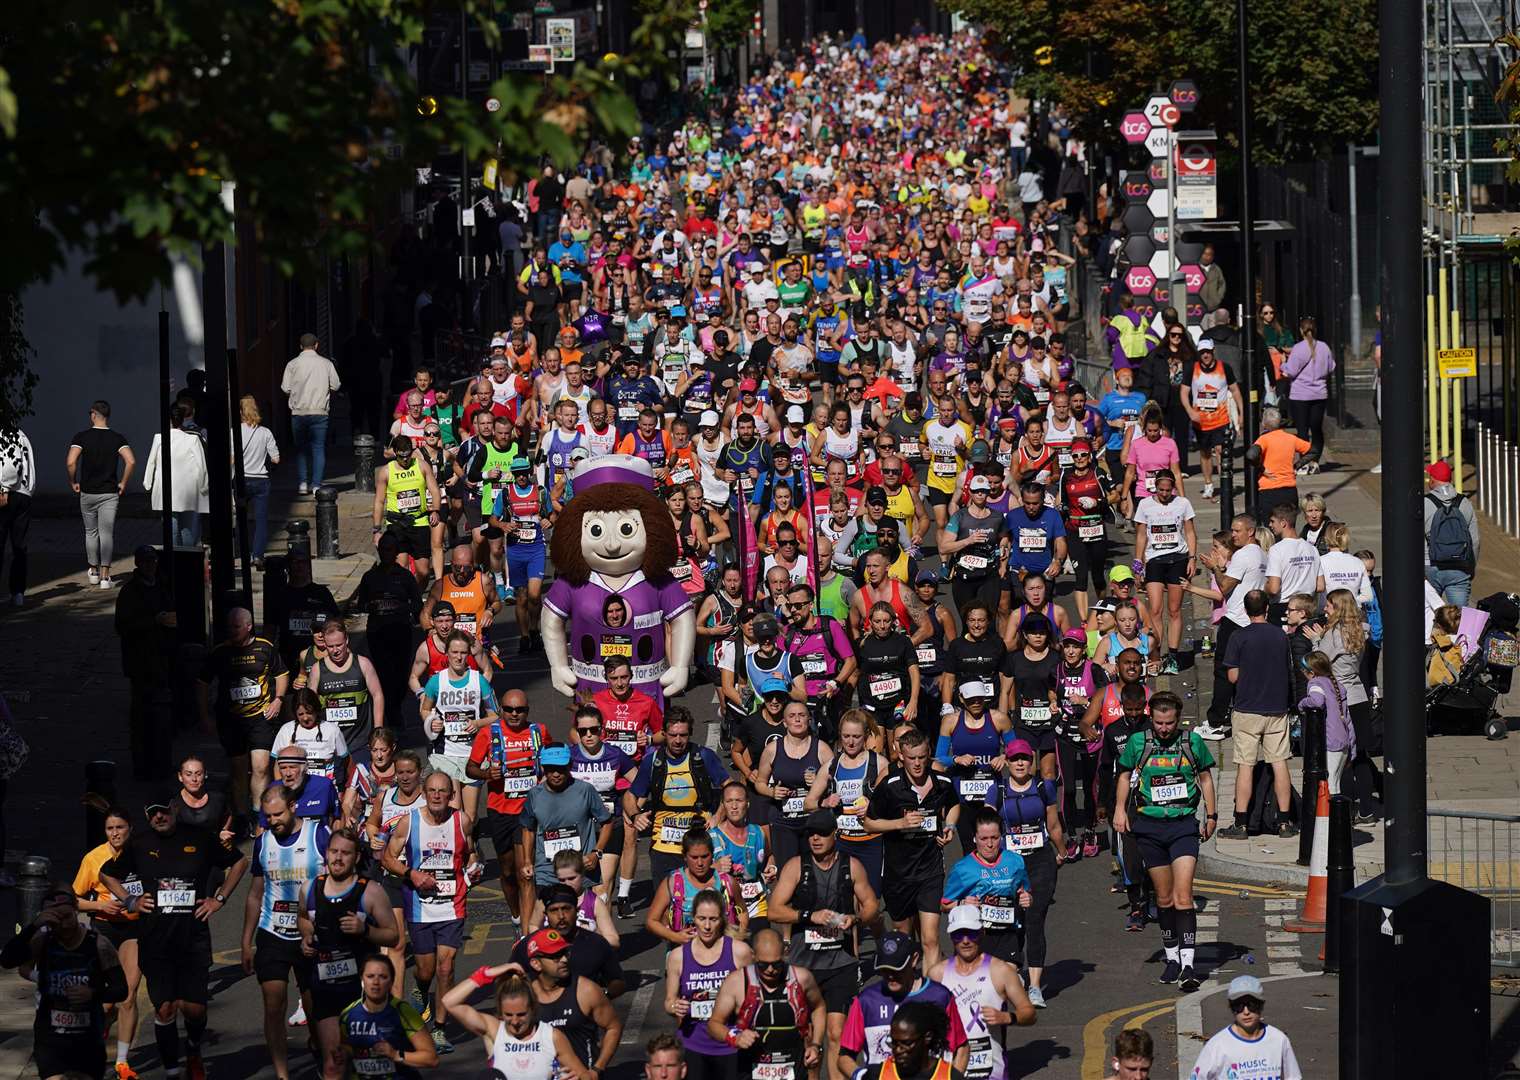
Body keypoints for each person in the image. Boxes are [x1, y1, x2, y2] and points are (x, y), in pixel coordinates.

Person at [99, 789, 250, 1080]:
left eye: (164, 810)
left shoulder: (200, 837)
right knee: (166, 1008)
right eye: (153, 812)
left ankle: (193, 1048)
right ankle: (172, 1070)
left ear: (175, 809)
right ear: (146, 815)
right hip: (155, 940)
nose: (159, 816)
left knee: (193, 1009)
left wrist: (219, 899)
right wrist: (130, 901)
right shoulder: (139, 843)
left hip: (192, 938)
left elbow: (240, 862)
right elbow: (108, 873)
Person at [1113, 692, 1217, 992]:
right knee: (1164, 899)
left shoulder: (1191, 742)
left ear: (1178, 718)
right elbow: (1123, 776)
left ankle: (1188, 963)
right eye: (1158, 722)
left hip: (1183, 825)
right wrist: (1120, 810)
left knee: (1183, 897)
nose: (1164, 729)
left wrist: (1211, 815)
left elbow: (1207, 778)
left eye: (1169, 723)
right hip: (1149, 826)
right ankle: (1172, 958)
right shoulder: (1138, 743)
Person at [769, 809, 881, 1076]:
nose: (815, 839)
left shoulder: (851, 866)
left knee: (836, 1033)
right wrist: (809, 916)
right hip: (804, 966)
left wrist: (855, 919)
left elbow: (872, 907)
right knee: (809, 1037)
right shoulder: (796, 866)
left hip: (840, 964)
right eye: (811, 834)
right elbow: (774, 910)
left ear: (835, 834)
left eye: (822, 833)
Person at [381, 768, 479, 1054]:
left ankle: (439, 1028)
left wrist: (474, 866)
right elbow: (387, 858)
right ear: (424, 794)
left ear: (451, 796)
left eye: (442, 791)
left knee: (445, 968)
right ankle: (422, 990)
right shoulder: (408, 823)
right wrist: (411, 874)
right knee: (425, 970)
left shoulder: (463, 821)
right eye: (432, 791)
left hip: (452, 905)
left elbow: (471, 852)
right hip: (420, 907)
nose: (437, 796)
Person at [296, 827, 400, 1079]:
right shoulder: (310, 888)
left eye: (345, 853)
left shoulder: (370, 891)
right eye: (334, 851)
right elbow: (302, 919)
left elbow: (393, 935)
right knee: (334, 1064)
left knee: (367, 1063)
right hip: (326, 987)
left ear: (355, 857)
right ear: (326, 854)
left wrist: (365, 930)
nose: (338, 858)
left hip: (362, 993)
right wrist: (306, 937)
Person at [0, 881, 128, 1080]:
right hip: (51, 1039)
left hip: (87, 1039)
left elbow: (121, 990)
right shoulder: (42, 940)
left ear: (76, 911)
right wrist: (33, 926)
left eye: (67, 916)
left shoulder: (98, 944)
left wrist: (93, 993)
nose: (63, 924)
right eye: (57, 918)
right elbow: (7, 960)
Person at [242, 785, 328, 1080]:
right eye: (267, 816)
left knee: (316, 1007)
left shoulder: (319, 835)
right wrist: (245, 941)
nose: (272, 821)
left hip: (311, 934)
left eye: (278, 814)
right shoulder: (263, 842)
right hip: (272, 931)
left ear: (293, 806)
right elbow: (255, 893)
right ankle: (282, 1074)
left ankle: (317, 1044)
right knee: (274, 1003)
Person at [863, 727, 959, 971]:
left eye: (922, 757)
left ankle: (930, 997)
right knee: (904, 939)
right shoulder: (890, 786)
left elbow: (954, 805)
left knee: (930, 939)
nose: (917, 764)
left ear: (928, 755)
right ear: (901, 756)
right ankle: (907, 992)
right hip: (898, 874)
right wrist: (900, 823)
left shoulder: (942, 783)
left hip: (930, 870)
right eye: (911, 758)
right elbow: (868, 823)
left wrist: (949, 825)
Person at [196, 606, 289, 830]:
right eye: (230, 626)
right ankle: (240, 814)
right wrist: (205, 715)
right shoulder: (220, 652)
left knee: (260, 767)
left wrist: (278, 699)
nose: (232, 630)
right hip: (231, 720)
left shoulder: (265, 648)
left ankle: (259, 813)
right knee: (238, 769)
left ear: (249, 626)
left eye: (237, 626)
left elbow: (282, 674)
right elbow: (202, 682)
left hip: (261, 717)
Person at [1215, 591, 1298, 840]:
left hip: (1247, 709)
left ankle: (1240, 823)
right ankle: (1284, 822)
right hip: (1276, 708)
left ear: (1246, 608)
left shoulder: (1238, 637)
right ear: (1267, 608)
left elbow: (1232, 677)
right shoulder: (1280, 636)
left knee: (1245, 766)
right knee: (1280, 763)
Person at [72, 807, 144, 1080]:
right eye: (110, 829)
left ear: (130, 828)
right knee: (106, 1003)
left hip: (135, 929)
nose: (115, 833)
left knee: (128, 994)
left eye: (120, 828)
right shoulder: (93, 859)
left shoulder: (142, 854)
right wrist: (101, 904)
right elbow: (73, 898)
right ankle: (99, 1031)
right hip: (104, 928)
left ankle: (122, 1063)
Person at [465, 688, 548, 925]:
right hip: (500, 810)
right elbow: (470, 768)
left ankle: (527, 929)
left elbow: (551, 761)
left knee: (525, 872)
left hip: (528, 811)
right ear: (501, 710)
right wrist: (486, 773)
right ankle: (516, 916)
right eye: (509, 709)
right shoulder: (488, 734)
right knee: (509, 872)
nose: (514, 714)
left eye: (520, 710)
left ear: (527, 711)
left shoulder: (539, 732)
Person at [836, 933, 970, 1076]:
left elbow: (961, 1047)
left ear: (914, 960)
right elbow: (844, 1056)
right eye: (885, 969)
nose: (891, 975)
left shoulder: (940, 996)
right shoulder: (866, 1000)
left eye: (897, 968)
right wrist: (863, 1077)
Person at [704, 928, 827, 1080]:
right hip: (750, 1069)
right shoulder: (736, 982)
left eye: (776, 964)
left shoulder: (801, 978)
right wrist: (734, 1037)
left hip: (794, 1068)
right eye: (763, 965)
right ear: (753, 956)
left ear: (785, 955)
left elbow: (819, 1007)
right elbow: (713, 1024)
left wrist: (816, 1044)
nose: (770, 970)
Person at [625, 707, 730, 885]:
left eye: (683, 735)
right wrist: (636, 815)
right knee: (665, 903)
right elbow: (630, 796)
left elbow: (731, 788)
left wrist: (718, 817)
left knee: (700, 901)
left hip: (699, 844)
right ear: (664, 734)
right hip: (663, 846)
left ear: (690, 734)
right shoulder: (652, 762)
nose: (678, 741)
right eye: (673, 735)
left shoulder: (703, 756)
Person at [929, 905, 1036, 1080]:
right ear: (950, 936)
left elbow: (1029, 1013)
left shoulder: (1000, 970)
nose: (965, 940)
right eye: (958, 934)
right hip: (950, 1070)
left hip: (991, 1072)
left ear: (982, 933)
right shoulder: (937, 974)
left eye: (971, 933)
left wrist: (1007, 1017)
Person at [664, 888, 755, 1080]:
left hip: (732, 1045)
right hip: (693, 1046)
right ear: (693, 919)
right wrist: (674, 1006)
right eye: (701, 918)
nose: (706, 926)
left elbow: (755, 998)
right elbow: (669, 1001)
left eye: (713, 919)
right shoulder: (677, 956)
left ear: (722, 919)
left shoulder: (740, 951)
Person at [520, 743, 613, 925]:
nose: (556, 774)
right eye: (551, 769)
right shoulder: (534, 795)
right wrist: (527, 861)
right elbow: (527, 828)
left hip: (581, 871)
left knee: (585, 923)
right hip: (548, 871)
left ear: (570, 766)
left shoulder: (585, 790)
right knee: (551, 922)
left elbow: (607, 823)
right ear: (543, 769)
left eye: (561, 769)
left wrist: (596, 852)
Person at [1197, 516, 1268, 741]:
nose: (1234, 535)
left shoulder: (1243, 555)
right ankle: (1243, 716)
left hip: (1236, 620)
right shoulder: (1261, 554)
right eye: (1233, 531)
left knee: (1223, 671)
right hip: (1253, 620)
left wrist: (1215, 568)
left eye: (1238, 531)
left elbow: (1225, 586)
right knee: (1247, 673)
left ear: (1251, 531)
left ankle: (1216, 722)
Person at [516, 926, 622, 1072]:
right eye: (555, 956)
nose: (564, 959)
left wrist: (598, 1068)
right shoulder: (525, 998)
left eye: (565, 953)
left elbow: (613, 1027)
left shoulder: (586, 990)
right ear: (536, 963)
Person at [420, 629, 499, 822]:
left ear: (468, 654)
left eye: (463, 652)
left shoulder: (478, 681)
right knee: (453, 813)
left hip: (473, 756)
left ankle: (471, 850)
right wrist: (432, 722)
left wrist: (478, 723)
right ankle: (460, 851)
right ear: (447, 653)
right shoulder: (436, 681)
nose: (459, 657)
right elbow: (425, 709)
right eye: (454, 652)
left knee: (470, 817)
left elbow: (495, 716)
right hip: (445, 754)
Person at [115, 545, 177, 781]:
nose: (151, 566)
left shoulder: (161, 587)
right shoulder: (130, 592)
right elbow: (123, 626)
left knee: (162, 717)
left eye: (153, 561)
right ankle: (142, 766)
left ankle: (161, 762)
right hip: (140, 664)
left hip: (161, 661)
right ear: (139, 564)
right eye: (147, 562)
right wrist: (155, 621)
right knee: (141, 718)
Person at [754, 700, 835, 871]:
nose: (797, 720)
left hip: (813, 824)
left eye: (802, 715)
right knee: (787, 873)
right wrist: (772, 791)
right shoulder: (772, 749)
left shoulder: (821, 748)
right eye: (792, 716)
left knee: (816, 872)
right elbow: (759, 783)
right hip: (783, 823)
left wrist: (820, 783)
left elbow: (836, 784)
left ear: (809, 720)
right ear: (785, 723)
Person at [67, 399, 136, 587]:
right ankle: (106, 576)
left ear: (93, 414)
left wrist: (73, 482)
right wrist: (123, 482)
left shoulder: (81, 437)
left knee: (91, 532)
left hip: (88, 492)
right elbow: (130, 461)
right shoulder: (117, 438)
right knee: (107, 533)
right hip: (109, 493)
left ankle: (93, 571)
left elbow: (71, 462)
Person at [337, 954, 439, 1076]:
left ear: (391, 982)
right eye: (370, 976)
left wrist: (395, 1054)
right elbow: (347, 1047)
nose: (375, 982)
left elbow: (431, 1059)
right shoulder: (348, 1014)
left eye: (383, 977)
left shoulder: (403, 1012)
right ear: (362, 979)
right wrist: (344, 1053)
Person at [646, 828, 748, 946]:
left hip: (722, 953)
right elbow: (651, 921)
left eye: (704, 856)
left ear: (712, 854)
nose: (700, 863)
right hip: (684, 954)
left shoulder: (727, 882)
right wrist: (675, 937)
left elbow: (743, 912)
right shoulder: (673, 882)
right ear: (684, 856)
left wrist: (738, 939)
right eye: (694, 857)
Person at [1189, 975, 1302, 1080]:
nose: (1246, 1012)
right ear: (1231, 1007)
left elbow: (1293, 1076)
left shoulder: (1279, 1040)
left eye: (1252, 1005)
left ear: (1261, 1005)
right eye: (1238, 1006)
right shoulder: (1217, 1046)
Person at [308, 619, 386, 765]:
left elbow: (378, 695)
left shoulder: (363, 663)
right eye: (330, 646)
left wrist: (378, 732)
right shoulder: (317, 669)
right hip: (330, 741)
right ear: (324, 644)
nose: (335, 650)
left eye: (339, 645)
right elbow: (310, 704)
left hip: (360, 740)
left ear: (347, 640)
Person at [372, 434, 443, 586]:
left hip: (419, 523)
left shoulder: (422, 465)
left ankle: (415, 594)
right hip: (397, 524)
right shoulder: (386, 471)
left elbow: (435, 491)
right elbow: (379, 501)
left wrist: (435, 510)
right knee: (400, 568)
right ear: (395, 453)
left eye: (408, 455)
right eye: (401, 456)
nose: (405, 459)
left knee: (423, 572)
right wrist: (376, 530)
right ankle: (407, 600)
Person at [281, 332, 342, 493]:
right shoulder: (326, 363)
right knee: (318, 448)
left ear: (300, 346)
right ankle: (316, 484)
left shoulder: (292, 364)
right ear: (316, 345)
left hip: (298, 412)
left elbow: (285, 388)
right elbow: (336, 385)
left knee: (301, 449)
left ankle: (302, 483)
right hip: (320, 412)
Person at [142, 402, 209, 547]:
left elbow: (151, 463)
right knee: (187, 531)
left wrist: (147, 484)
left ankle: (174, 562)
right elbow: (202, 466)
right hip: (188, 492)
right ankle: (188, 562)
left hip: (166, 491)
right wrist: (204, 487)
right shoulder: (193, 439)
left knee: (171, 530)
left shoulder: (159, 438)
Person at [1422, 459, 1480, 605]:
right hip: (1459, 567)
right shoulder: (1464, 503)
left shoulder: (1424, 503)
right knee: (1458, 618)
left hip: (1430, 566)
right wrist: (1470, 567)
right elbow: (1475, 540)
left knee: (1429, 616)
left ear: (1433, 480)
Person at [1280, 316, 1333, 470]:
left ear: (1301, 330)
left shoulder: (1298, 348)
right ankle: (1315, 461)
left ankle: (1304, 462)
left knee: (1302, 430)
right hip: (1319, 394)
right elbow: (1331, 367)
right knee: (1316, 428)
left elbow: (1290, 371)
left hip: (1300, 395)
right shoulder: (1324, 347)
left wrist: (1283, 363)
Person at [237, 395, 281, 567]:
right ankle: (258, 555)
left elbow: (232, 459)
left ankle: (243, 553)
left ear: (241, 412)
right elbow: (276, 458)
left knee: (241, 519)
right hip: (261, 481)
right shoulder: (265, 432)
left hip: (241, 480)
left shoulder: (235, 432)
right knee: (261, 521)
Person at [1246, 410, 1309, 523]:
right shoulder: (1291, 438)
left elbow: (1251, 455)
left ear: (1264, 424)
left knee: (1270, 528)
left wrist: (1262, 468)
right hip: (1289, 490)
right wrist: (1298, 465)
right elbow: (1313, 450)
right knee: (1288, 528)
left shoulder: (1264, 439)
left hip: (1268, 491)